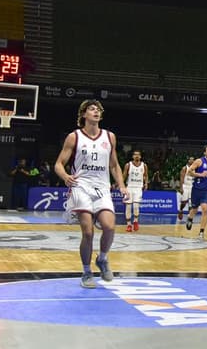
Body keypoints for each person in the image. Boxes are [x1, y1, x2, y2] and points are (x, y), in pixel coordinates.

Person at [54, 100, 128, 288]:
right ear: (84, 114)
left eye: (98, 110)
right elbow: (58, 164)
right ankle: (87, 272)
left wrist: (121, 185)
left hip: (102, 186)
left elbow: (114, 165)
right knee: (88, 232)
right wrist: (65, 176)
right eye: (92, 109)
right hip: (81, 186)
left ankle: (102, 259)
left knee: (109, 227)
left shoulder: (110, 137)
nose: (96, 112)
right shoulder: (74, 137)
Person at [185, 145, 207, 240]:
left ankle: (201, 232)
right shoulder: (199, 161)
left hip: (206, 191)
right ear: (204, 152)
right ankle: (190, 218)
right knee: (194, 209)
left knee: (205, 209)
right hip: (196, 189)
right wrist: (200, 174)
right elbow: (189, 172)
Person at [122, 150, 148, 232]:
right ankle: (129, 224)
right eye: (135, 155)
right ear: (133, 156)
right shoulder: (128, 165)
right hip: (129, 187)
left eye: (138, 155)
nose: (136, 156)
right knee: (128, 206)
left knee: (136, 206)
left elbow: (146, 175)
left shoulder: (144, 165)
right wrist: (121, 185)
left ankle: (135, 221)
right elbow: (124, 175)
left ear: (140, 157)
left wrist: (146, 183)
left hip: (138, 187)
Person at [177, 156, 195, 221]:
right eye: (191, 159)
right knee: (184, 201)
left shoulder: (195, 168)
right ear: (188, 161)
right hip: (185, 186)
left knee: (191, 202)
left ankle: (189, 216)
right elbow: (181, 178)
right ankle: (181, 210)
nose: (192, 161)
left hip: (192, 186)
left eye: (193, 160)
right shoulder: (185, 168)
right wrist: (181, 187)